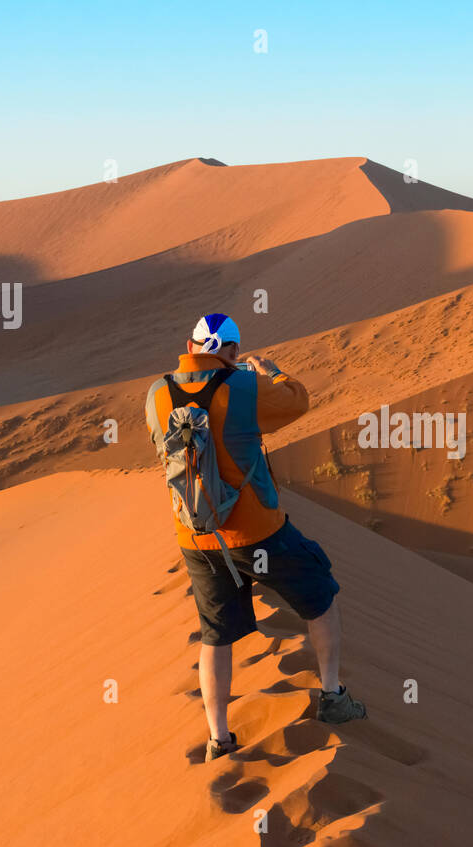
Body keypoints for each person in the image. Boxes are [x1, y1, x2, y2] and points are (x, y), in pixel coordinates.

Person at [144, 313, 366, 761]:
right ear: (229, 352)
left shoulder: (156, 393)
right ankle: (333, 697)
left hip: (197, 536)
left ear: (190, 345)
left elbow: (158, 439)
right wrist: (270, 371)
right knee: (319, 593)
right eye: (234, 352)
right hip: (256, 530)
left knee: (215, 635)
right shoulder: (245, 388)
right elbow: (297, 401)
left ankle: (218, 739)